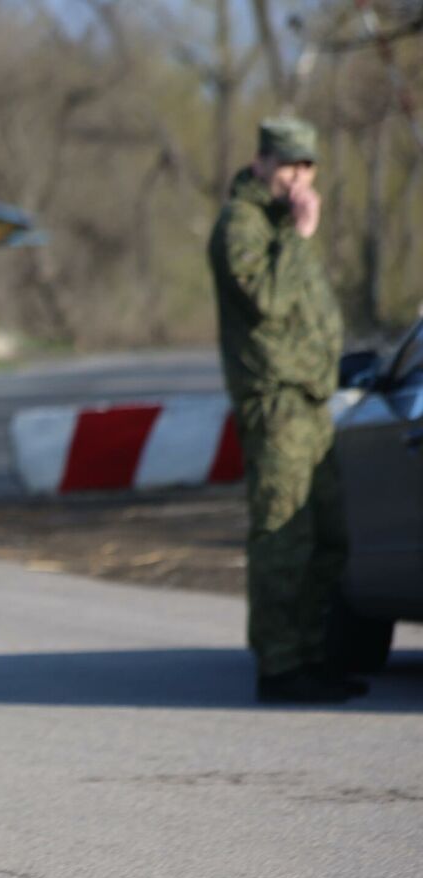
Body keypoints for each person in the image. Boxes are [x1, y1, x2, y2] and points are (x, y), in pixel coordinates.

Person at [208, 118, 359, 705]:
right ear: (263, 162)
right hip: (276, 405)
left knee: (329, 539)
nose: (299, 178)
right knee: (282, 537)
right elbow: (267, 301)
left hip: (311, 402)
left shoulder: (278, 225)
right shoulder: (241, 226)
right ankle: (279, 666)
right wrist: (299, 234)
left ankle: (313, 656)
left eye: (308, 167)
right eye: (289, 165)